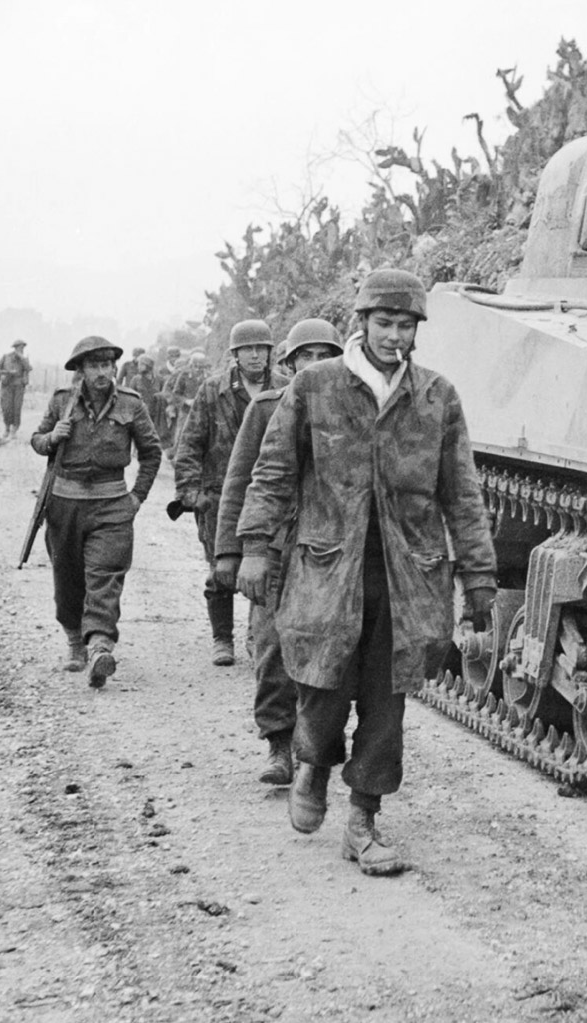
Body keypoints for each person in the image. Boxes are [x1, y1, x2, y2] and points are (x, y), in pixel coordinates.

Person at [235, 270, 495, 875]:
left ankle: (363, 821)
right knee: (321, 689)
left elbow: (462, 494)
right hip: (327, 571)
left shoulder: (436, 397)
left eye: (406, 326)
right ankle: (313, 763)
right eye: (385, 324)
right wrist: (252, 546)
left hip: (407, 579)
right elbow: (272, 472)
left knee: (387, 702)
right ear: (363, 324)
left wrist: (479, 577)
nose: (395, 337)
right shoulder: (315, 387)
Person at [214, 319, 343, 785]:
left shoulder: (355, 409)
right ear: (288, 365)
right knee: (271, 648)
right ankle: (278, 744)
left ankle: (317, 744)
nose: (314, 365)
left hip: (332, 550)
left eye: (323, 355)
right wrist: (232, 551)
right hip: (278, 546)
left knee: (329, 650)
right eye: (305, 357)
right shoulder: (268, 407)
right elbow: (240, 479)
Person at [29, 336, 163, 688]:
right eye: (94, 366)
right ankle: (75, 640)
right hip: (65, 503)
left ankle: (100, 645)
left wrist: (137, 497)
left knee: (105, 577)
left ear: (114, 368)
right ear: (81, 371)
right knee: (68, 578)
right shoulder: (61, 401)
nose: (102, 372)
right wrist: (52, 438)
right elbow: (37, 439)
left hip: (112, 504)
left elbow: (151, 452)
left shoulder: (132, 404)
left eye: (107, 365)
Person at [172, 321, 276, 667]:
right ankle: (222, 637)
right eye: (248, 348)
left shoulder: (286, 390)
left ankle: (256, 634)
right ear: (235, 354)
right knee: (222, 570)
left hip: (269, 492)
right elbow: (189, 444)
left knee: (268, 565)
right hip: (220, 494)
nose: (256, 354)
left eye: (262, 347)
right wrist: (191, 492)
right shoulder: (212, 391)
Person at [164, 350, 210, 456]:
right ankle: (176, 456)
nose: (198, 369)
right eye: (196, 366)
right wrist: (186, 401)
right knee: (181, 434)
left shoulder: (208, 376)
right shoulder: (184, 375)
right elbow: (175, 394)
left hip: (202, 412)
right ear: (192, 365)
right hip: (186, 411)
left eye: (201, 367)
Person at [0, 340, 33, 440]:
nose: (22, 350)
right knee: (6, 407)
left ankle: (14, 430)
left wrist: (22, 358)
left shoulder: (24, 359)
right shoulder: (6, 357)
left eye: (23, 348)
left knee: (16, 408)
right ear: (15, 347)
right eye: (20, 348)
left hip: (19, 386)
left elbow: (29, 368)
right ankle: (6, 428)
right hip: (7, 385)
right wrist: (7, 372)